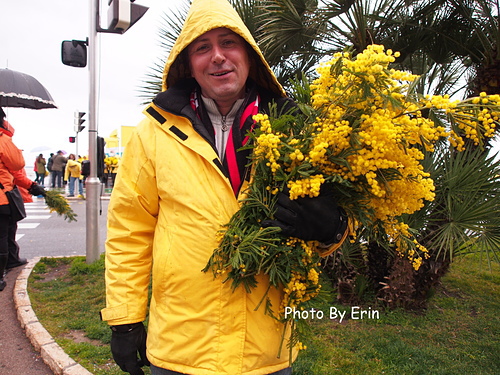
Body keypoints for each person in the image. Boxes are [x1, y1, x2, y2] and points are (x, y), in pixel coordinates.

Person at [100, 0, 348, 374]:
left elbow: (342, 218)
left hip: (265, 351)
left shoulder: (297, 128)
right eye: (202, 47)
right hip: (181, 350)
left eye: (229, 43)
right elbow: (129, 231)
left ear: (250, 56)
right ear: (189, 65)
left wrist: (333, 228)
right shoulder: (154, 132)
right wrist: (124, 319)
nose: (217, 56)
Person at [0, 108, 26, 291]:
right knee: (3, 234)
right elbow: (17, 164)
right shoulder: (2, 140)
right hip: (2, 198)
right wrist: (7, 133)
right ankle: (3, 270)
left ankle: (12, 260)